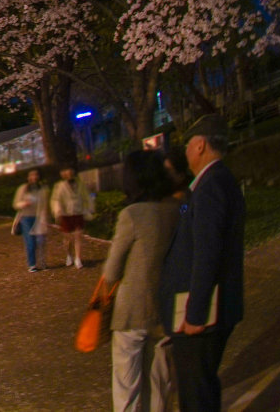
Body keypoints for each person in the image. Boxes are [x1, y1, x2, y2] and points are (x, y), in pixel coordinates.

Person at [159, 116, 245, 412]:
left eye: (187, 146)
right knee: (201, 386)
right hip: (210, 307)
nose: (184, 153)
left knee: (196, 393)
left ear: (200, 146)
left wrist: (195, 314)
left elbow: (207, 254)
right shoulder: (213, 182)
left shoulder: (210, 187)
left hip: (204, 313)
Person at [102, 151, 179, 412]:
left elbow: (112, 271)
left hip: (131, 312)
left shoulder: (132, 214)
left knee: (127, 385)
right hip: (165, 310)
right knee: (159, 383)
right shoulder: (175, 211)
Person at [51, 166, 93, 268]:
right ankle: (69, 254)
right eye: (66, 172)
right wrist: (58, 210)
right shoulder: (59, 186)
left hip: (78, 212)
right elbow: (55, 199)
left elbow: (86, 197)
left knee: (78, 236)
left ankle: (78, 258)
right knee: (68, 238)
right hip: (66, 214)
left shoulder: (80, 184)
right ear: (63, 174)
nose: (69, 173)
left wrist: (89, 209)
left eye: (71, 171)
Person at [12, 168, 51, 271]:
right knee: (30, 241)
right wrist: (23, 204)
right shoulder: (23, 188)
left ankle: (42, 263)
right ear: (28, 177)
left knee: (41, 241)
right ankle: (32, 264)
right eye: (31, 175)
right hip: (26, 217)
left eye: (36, 175)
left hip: (39, 217)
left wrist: (47, 217)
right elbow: (16, 204)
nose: (34, 177)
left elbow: (46, 204)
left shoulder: (43, 189)